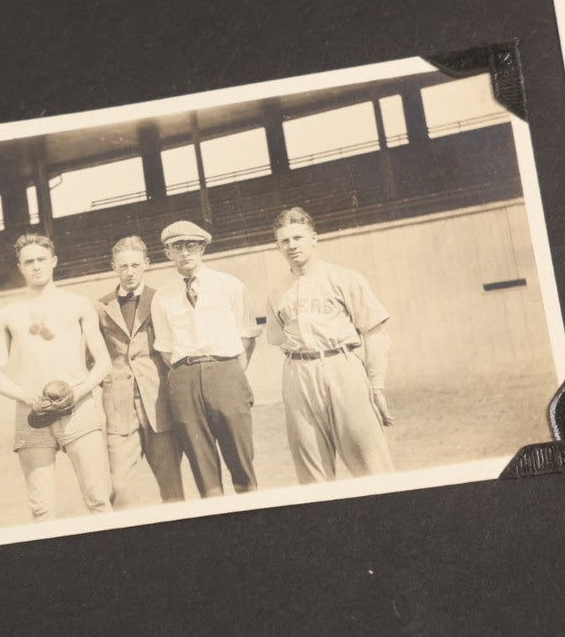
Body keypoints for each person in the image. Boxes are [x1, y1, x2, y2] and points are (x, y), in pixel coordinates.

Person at [0, 233, 113, 521]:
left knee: (98, 500)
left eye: (41, 259)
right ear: (20, 267)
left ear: (54, 261)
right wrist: (25, 396)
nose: (36, 266)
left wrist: (76, 393)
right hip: (32, 414)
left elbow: (104, 363)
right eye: (28, 261)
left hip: (79, 411)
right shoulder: (8, 313)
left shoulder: (79, 304)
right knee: (41, 508)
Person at [266, 206, 394, 483]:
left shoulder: (344, 278)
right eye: (284, 241)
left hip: (342, 365)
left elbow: (375, 334)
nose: (292, 245)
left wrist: (377, 386)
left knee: (371, 464)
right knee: (312, 472)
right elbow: (278, 339)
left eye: (298, 238)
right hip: (298, 373)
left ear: (314, 238)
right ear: (278, 247)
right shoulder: (277, 291)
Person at [148, 220, 260, 497]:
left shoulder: (228, 285)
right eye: (177, 247)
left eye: (191, 246)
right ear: (167, 253)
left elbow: (246, 335)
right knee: (202, 465)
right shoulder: (162, 296)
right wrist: (188, 372)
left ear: (202, 248)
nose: (185, 253)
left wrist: (230, 372)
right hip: (184, 377)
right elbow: (165, 348)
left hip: (225, 372)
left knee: (241, 459)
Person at [95, 236, 185, 506]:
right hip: (119, 409)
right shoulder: (100, 307)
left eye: (135, 265)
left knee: (172, 488)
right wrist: (110, 381)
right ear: (113, 267)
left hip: (159, 405)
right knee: (120, 489)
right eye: (123, 266)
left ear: (146, 263)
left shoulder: (162, 299)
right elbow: (91, 358)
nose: (130, 272)